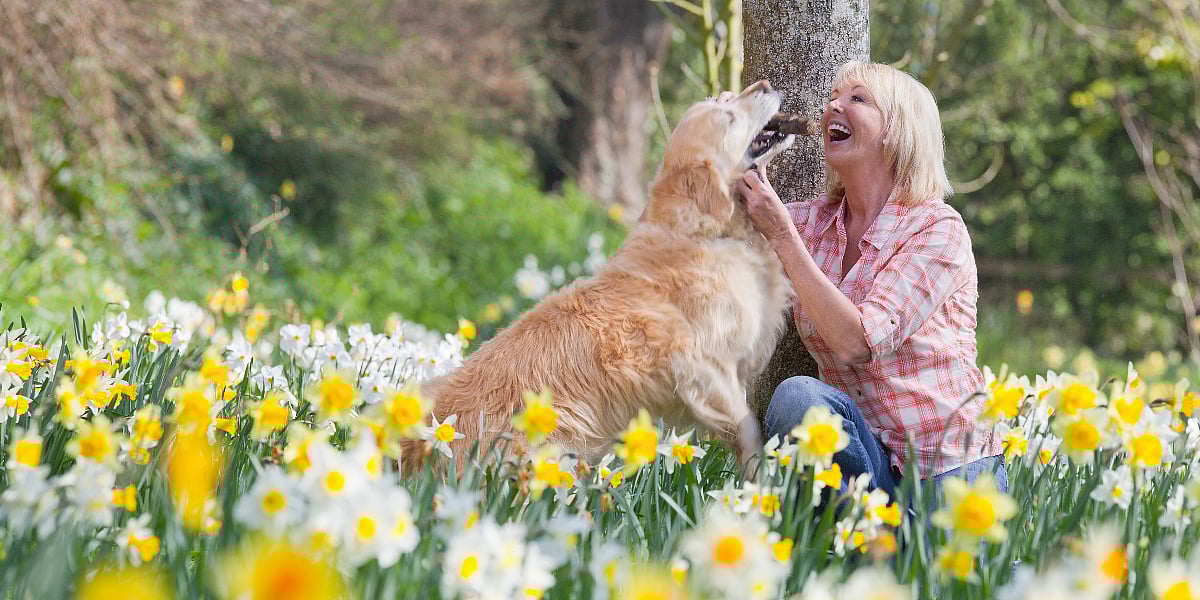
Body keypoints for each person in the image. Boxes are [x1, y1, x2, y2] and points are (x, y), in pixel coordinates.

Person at [732, 61, 1005, 505]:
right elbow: (716, 218)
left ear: (897, 131)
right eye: (833, 98)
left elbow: (857, 343)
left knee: (949, 578)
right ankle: (847, 556)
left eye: (857, 99)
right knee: (796, 398)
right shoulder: (812, 224)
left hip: (948, 469)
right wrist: (727, 125)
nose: (832, 106)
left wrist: (781, 234)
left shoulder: (936, 228)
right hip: (866, 468)